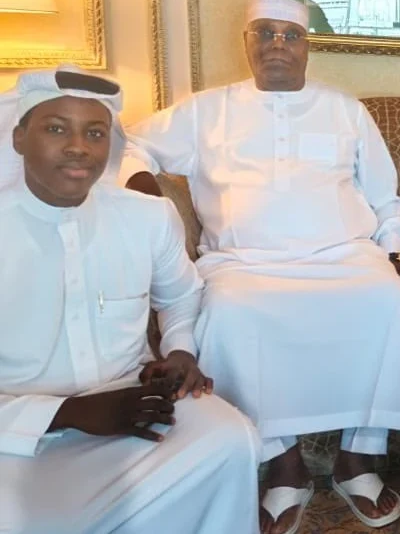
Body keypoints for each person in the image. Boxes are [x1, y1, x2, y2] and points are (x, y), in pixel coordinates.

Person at [119, 0, 400, 534]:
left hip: (343, 255)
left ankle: (358, 459)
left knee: (386, 298)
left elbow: (384, 195)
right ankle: (284, 467)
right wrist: (144, 188)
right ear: (246, 42)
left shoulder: (345, 109)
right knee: (228, 312)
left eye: (290, 35)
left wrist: (395, 249)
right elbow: (128, 143)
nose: (277, 44)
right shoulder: (205, 110)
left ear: (307, 46)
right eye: (264, 32)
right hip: (243, 262)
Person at [0, 66, 260, 533]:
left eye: (94, 133)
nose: (78, 146)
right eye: (56, 129)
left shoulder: (147, 218)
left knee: (230, 440)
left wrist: (179, 351)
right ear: (19, 137)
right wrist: (69, 412)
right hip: (17, 434)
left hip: (132, 408)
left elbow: (182, 296)